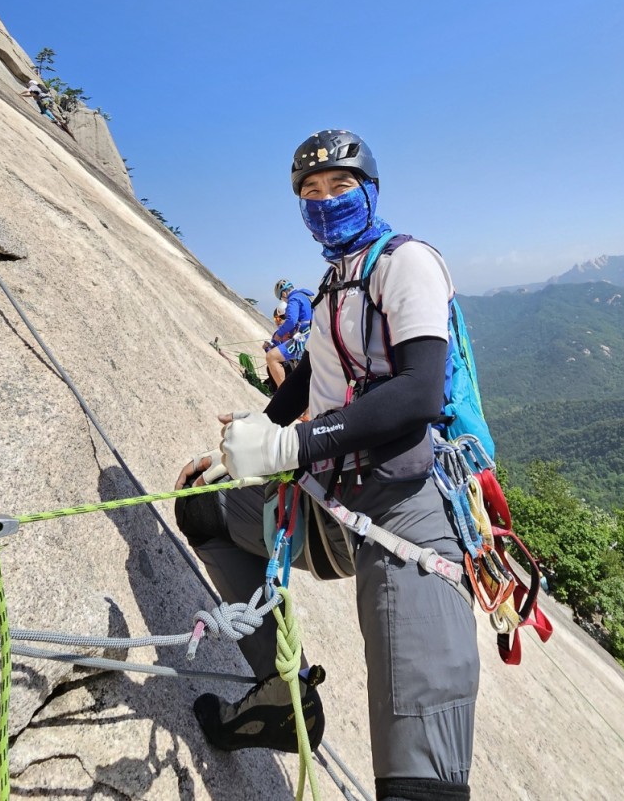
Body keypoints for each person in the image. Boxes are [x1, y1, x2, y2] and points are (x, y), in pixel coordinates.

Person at [175, 129, 478, 801]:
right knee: (201, 504)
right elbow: (309, 375)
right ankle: (281, 696)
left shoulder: (408, 264)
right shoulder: (337, 278)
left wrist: (289, 449)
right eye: (311, 192)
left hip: (405, 512)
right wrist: (251, 437)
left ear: (371, 189)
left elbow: (419, 391)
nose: (326, 200)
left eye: (341, 186)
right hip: (330, 508)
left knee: (418, 784)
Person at [264, 278, 314, 389]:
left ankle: (284, 396)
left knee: (271, 357)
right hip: (313, 335)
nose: (284, 300)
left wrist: (279, 334)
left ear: (283, 293)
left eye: (281, 298)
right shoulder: (305, 296)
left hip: (304, 337)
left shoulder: (294, 298)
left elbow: (291, 320)